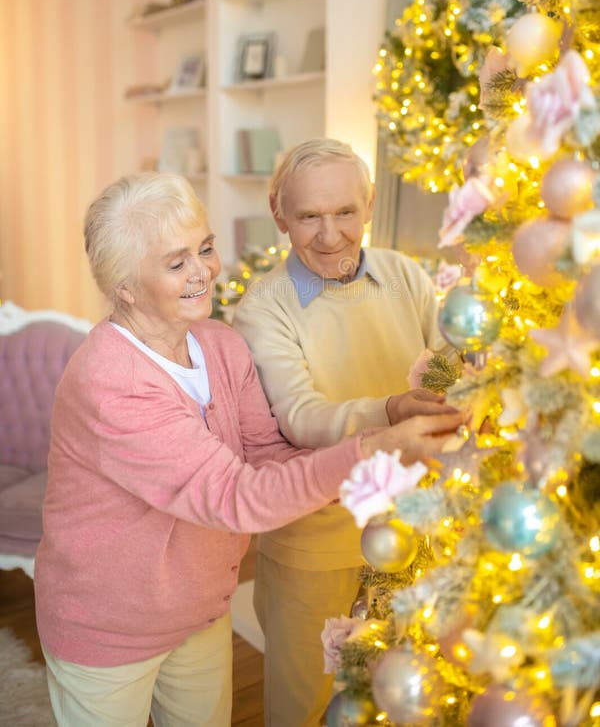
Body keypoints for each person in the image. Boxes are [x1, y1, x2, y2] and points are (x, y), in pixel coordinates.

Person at [33, 171, 464, 727]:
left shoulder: (219, 343)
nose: (204, 272)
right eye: (176, 263)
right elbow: (236, 496)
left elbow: (266, 454)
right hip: (109, 626)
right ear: (125, 286)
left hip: (199, 608)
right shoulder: (110, 380)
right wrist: (372, 449)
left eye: (205, 249)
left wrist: (370, 462)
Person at [233, 137, 459, 727]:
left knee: (411, 684)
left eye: (344, 213)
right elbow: (301, 416)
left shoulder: (407, 276)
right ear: (279, 214)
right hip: (316, 539)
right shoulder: (265, 308)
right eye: (308, 216)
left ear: (370, 205)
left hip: (415, 524)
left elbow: (445, 363)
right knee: (304, 697)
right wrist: (391, 407)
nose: (329, 234)